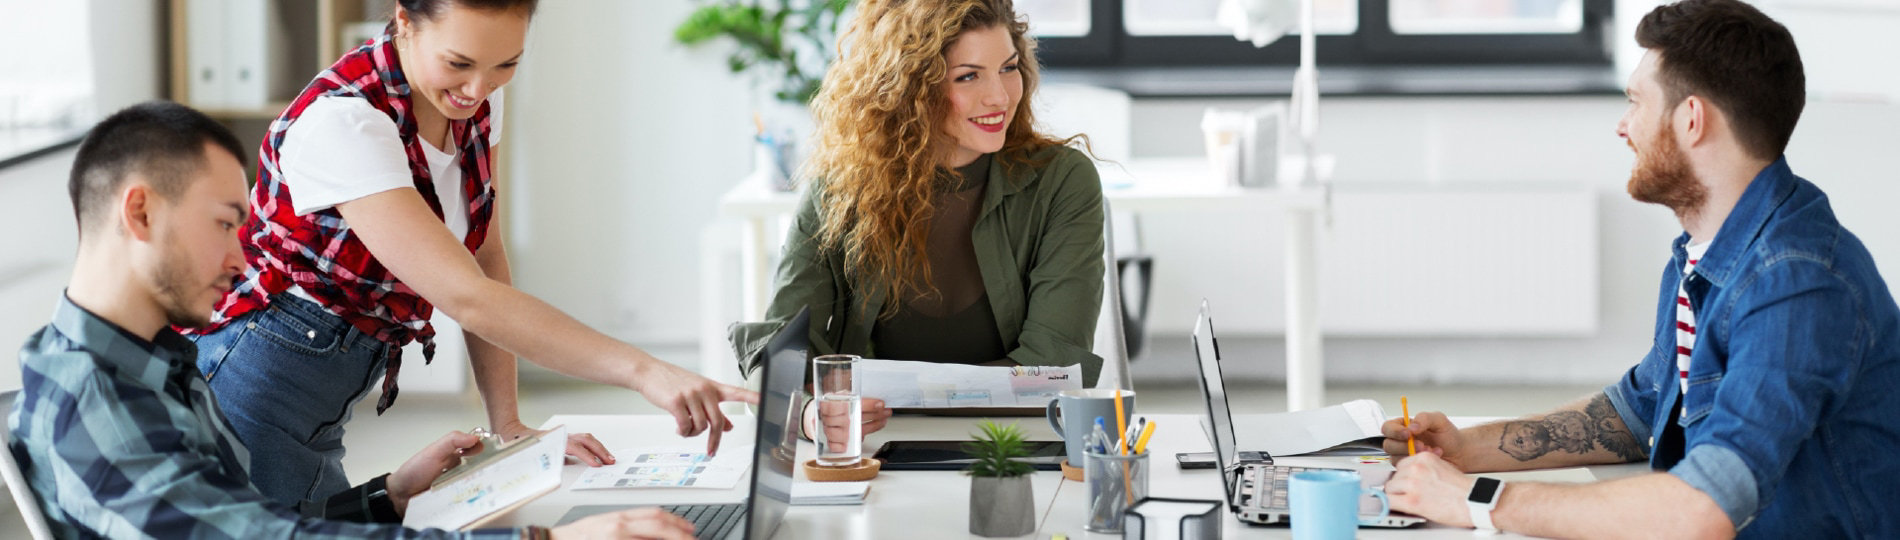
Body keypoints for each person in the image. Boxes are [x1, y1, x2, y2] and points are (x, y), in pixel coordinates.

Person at [7, 100, 697, 539]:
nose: (241, 254)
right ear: (140, 212)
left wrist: (389, 497)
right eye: (224, 224)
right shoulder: (94, 404)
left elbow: (250, 523)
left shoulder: (149, 363)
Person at [183, 0, 757, 506]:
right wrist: (644, 371)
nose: (478, 88)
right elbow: (468, 298)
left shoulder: (474, 104)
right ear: (404, 22)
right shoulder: (344, 121)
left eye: (506, 64)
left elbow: (484, 256)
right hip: (257, 373)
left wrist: (507, 425)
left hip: (327, 385)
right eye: (458, 63)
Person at [1377, 1, 1900, 537]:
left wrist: (1477, 499)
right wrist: (1467, 449)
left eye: (1635, 102)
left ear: (1691, 119)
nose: (1623, 126)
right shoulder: (1708, 251)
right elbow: (1638, 411)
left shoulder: (1797, 283)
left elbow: (1705, 508)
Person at [727, 0, 1106, 446]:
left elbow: (1053, 364)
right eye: (968, 76)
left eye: (1008, 67)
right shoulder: (840, 188)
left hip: (1011, 443)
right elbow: (782, 350)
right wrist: (810, 415)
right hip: (875, 447)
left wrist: (874, 392)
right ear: (907, 87)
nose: (1000, 96)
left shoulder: (1062, 182)